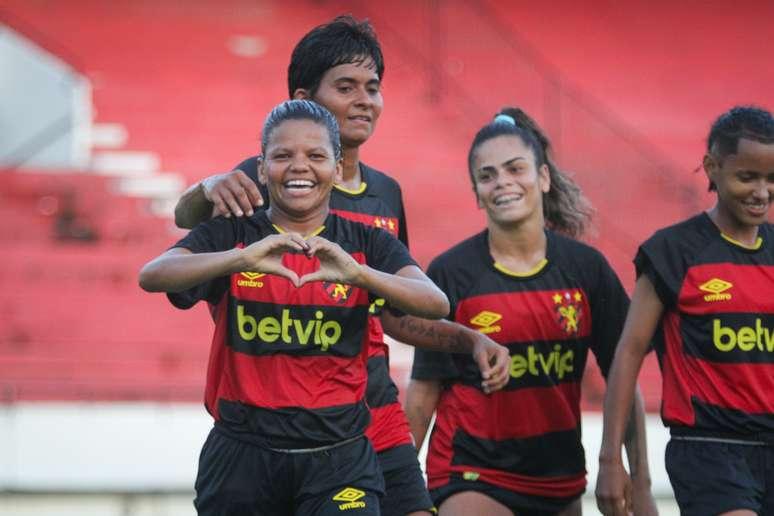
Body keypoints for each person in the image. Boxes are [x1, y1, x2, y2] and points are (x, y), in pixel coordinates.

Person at [173, 16, 489, 516]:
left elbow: (393, 313)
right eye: (347, 87)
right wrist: (207, 186)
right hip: (276, 417)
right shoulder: (269, 180)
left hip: (371, 404)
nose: (365, 99)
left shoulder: (387, 193)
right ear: (304, 97)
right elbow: (186, 226)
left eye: (374, 87)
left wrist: (465, 338)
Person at [405, 108, 656, 516]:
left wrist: (638, 480)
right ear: (476, 192)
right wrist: (399, 488)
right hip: (472, 472)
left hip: (559, 479)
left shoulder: (586, 269)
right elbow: (423, 392)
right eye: (487, 176)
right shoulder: (452, 273)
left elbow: (623, 378)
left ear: (543, 177)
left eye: (515, 169)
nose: (502, 182)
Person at [596, 105, 774, 516]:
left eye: (771, 178)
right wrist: (611, 461)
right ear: (712, 167)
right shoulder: (673, 252)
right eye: (747, 177)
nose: (761, 191)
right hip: (710, 450)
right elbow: (627, 353)